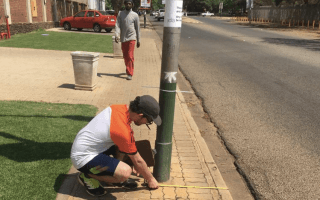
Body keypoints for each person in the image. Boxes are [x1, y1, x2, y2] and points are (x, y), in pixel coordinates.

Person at [70, 95, 161, 196]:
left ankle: (112, 175)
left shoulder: (121, 109)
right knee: (125, 173)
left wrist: (134, 163)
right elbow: (138, 160)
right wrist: (150, 179)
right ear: (140, 115)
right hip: (83, 157)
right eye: (149, 121)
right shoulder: (122, 130)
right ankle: (87, 176)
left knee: (131, 149)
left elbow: (126, 147)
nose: (147, 123)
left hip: (93, 148)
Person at [115, 0, 140, 80]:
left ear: (132, 5)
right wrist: (117, 35)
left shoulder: (135, 15)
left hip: (132, 38)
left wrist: (138, 40)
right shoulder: (120, 14)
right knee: (125, 56)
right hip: (123, 38)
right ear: (125, 4)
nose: (128, 5)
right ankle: (129, 67)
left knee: (130, 55)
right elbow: (117, 25)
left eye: (130, 3)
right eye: (127, 3)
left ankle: (130, 73)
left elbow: (137, 28)